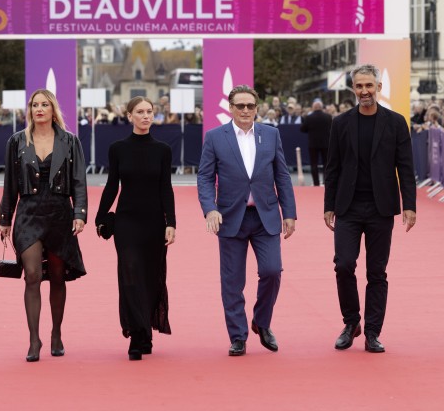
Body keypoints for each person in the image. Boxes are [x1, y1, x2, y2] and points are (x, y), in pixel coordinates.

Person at [197, 84, 297, 356]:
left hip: (265, 216)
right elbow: (205, 177)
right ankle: (238, 336)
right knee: (232, 281)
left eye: (250, 106)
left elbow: (282, 175)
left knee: (272, 271)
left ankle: (261, 322)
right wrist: (210, 209)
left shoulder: (271, 135)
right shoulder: (215, 137)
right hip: (230, 217)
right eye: (239, 105)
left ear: (256, 108)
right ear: (230, 108)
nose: (245, 110)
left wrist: (289, 213)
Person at [324, 64, 417, 353]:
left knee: (377, 272)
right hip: (348, 207)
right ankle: (351, 322)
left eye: (369, 85)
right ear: (353, 89)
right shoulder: (340, 123)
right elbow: (333, 167)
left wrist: (409, 205)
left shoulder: (396, 122)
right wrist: (329, 205)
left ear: (378, 87)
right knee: (343, 265)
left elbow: (405, 166)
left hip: (381, 208)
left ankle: (373, 332)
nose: (364, 91)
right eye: (359, 86)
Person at [0, 89, 87, 362]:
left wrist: (80, 213)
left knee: (58, 276)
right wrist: (5, 218)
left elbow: (79, 180)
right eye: (35, 105)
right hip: (28, 213)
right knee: (32, 275)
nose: (39, 109)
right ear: (30, 110)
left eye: (44, 105)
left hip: (60, 214)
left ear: (53, 109)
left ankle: (56, 333)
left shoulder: (70, 141)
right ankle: (34, 339)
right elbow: (10, 183)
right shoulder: (17, 141)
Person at [96, 97, 177, 359]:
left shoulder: (163, 150)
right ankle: (137, 335)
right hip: (126, 222)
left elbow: (166, 188)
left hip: (154, 223)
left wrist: (171, 222)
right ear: (129, 116)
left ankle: (146, 332)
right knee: (130, 274)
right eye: (140, 112)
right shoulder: (118, 148)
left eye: (149, 112)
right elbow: (112, 185)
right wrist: (99, 216)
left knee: (150, 278)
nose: (145, 116)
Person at [300, 99, 333, 187]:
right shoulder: (328, 117)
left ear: (313, 107)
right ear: (321, 107)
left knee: (314, 163)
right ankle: (326, 182)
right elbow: (332, 128)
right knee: (326, 163)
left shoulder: (309, 117)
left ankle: (316, 183)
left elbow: (302, 129)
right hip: (326, 143)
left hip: (313, 144)